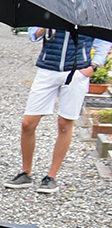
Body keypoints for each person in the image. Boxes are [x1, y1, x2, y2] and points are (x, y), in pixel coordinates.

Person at [8, 27, 106, 194]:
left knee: (64, 124)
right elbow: (33, 34)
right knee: (28, 124)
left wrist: (93, 66)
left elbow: (103, 40)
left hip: (77, 71)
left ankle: (51, 176)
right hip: (47, 68)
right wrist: (47, 24)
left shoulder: (87, 12)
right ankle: (26, 172)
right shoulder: (53, 5)